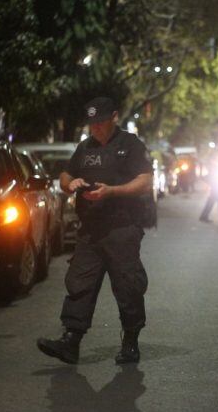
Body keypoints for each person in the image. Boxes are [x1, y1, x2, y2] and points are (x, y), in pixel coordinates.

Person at [37, 97, 153, 365]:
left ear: (114, 117)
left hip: (122, 228)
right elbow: (65, 176)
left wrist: (112, 192)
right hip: (90, 229)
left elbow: (145, 181)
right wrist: (71, 183)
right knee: (80, 282)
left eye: (100, 122)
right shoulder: (85, 147)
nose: (96, 128)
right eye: (92, 124)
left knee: (127, 284)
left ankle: (131, 341)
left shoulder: (130, 145)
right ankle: (71, 341)